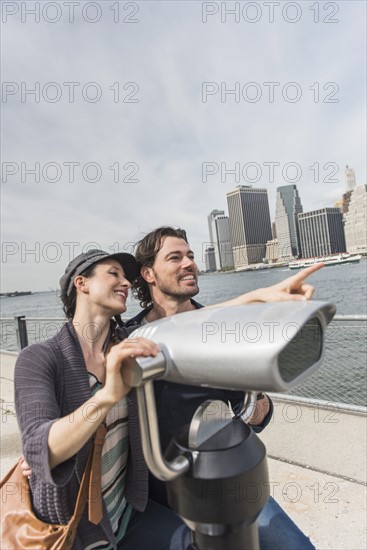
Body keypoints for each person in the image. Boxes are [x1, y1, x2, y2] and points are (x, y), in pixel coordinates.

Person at [126, 226, 321, 549]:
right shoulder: (130, 338)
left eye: (190, 255)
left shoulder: (222, 331)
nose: (189, 263)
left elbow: (258, 417)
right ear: (148, 273)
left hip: (222, 483)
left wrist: (255, 386)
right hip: (155, 491)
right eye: (175, 257)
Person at [15, 249, 190, 550]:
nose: (126, 283)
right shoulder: (38, 359)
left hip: (125, 516)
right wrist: (108, 395)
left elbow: (187, 324)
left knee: (196, 540)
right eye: (114, 273)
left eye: (126, 277)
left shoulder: (130, 343)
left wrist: (259, 299)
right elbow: (40, 448)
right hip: (74, 532)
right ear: (82, 283)